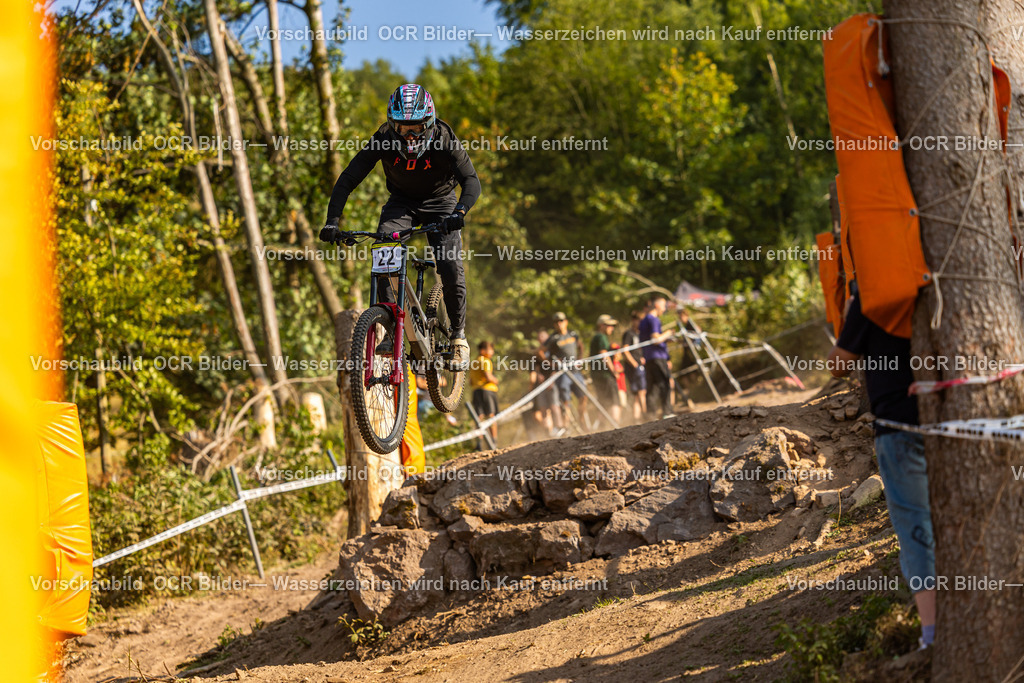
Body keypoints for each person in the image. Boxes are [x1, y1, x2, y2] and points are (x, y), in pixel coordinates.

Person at [319, 83, 480, 368]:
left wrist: (460, 211)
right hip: (402, 202)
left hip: (441, 202)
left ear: (429, 123)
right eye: (402, 128)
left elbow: (471, 181)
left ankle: (458, 337)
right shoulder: (383, 138)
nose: (410, 135)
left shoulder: (444, 138)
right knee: (384, 250)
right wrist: (332, 221)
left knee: (449, 264)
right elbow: (348, 179)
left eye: (416, 127)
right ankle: (392, 327)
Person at [828, 286, 935, 650]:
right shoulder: (937, 278)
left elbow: (838, 364)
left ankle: (933, 634)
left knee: (916, 529)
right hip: (953, 420)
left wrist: (847, 317)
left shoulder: (873, 293)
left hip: (898, 429)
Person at [546, 312, 589, 428]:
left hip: (575, 371)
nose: (559, 324)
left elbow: (580, 346)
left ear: (566, 322)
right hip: (563, 373)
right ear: (554, 324)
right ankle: (567, 423)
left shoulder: (572, 334)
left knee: (583, 396)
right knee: (566, 399)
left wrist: (580, 359)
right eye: (556, 322)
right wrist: (552, 364)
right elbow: (540, 352)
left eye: (561, 321)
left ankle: (581, 419)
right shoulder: (553, 338)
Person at [639, 296, 676, 418]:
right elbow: (655, 338)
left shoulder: (643, 320)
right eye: (664, 306)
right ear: (657, 305)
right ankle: (668, 412)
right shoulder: (654, 320)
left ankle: (650, 415)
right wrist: (668, 333)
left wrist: (664, 340)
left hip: (648, 358)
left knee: (653, 388)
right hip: (658, 357)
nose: (665, 309)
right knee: (664, 384)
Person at [589, 314, 621, 426]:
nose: (611, 328)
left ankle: (601, 427)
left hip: (597, 374)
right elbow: (604, 355)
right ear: (602, 325)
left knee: (603, 401)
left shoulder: (597, 337)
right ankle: (616, 426)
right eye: (609, 325)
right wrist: (614, 371)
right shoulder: (601, 337)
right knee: (614, 401)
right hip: (605, 375)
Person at [531, 330, 564, 437]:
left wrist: (552, 378)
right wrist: (538, 375)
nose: (540, 338)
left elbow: (558, 364)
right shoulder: (536, 353)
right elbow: (535, 368)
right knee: (543, 408)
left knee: (554, 406)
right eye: (539, 337)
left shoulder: (553, 350)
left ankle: (560, 427)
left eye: (543, 336)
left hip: (552, 382)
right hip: (541, 385)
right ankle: (548, 432)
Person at [469, 340, 499, 448]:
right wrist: (496, 380)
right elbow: (488, 377)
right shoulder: (485, 361)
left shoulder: (474, 362)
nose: (492, 352)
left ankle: (479, 444)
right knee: (491, 416)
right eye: (490, 349)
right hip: (487, 390)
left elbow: (470, 381)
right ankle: (494, 442)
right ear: (483, 351)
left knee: (479, 417)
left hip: (476, 391)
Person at [621, 310, 647, 420]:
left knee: (638, 394)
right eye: (639, 320)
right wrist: (635, 364)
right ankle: (645, 416)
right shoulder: (629, 334)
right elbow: (625, 351)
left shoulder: (640, 334)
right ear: (634, 320)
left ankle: (637, 418)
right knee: (641, 391)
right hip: (634, 368)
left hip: (640, 365)